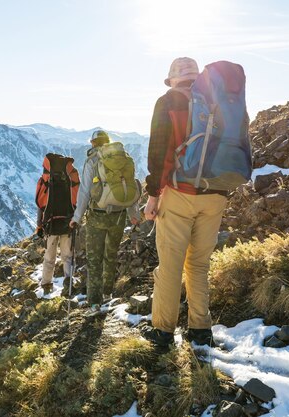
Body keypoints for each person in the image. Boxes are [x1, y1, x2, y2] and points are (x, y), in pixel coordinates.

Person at [143, 57, 230, 347]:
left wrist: (153, 196)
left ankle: (163, 332)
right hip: (215, 195)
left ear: (172, 79)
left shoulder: (168, 102)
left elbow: (159, 153)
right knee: (199, 264)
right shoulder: (218, 103)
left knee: (170, 265)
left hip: (180, 194)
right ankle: (201, 330)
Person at [70, 130, 140, 314]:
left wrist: (76, 218)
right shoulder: (124, 159)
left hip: (97, 216)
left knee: (94, 259)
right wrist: (134, 214)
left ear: (93, 143)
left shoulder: (93, 160)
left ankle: (94, 303)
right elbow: (130, 187)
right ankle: (108, 293)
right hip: (119, 215)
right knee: (111, 254)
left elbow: (84, 192)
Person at [35, 153, 80, 295]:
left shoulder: (46, 179)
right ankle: (69, 282)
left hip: (50, 224)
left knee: (49, 258)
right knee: (68, 255)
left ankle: (46, 284)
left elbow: (41, 205)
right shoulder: (70, 178)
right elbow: (78, 198)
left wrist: (39, 225)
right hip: (68, 222)